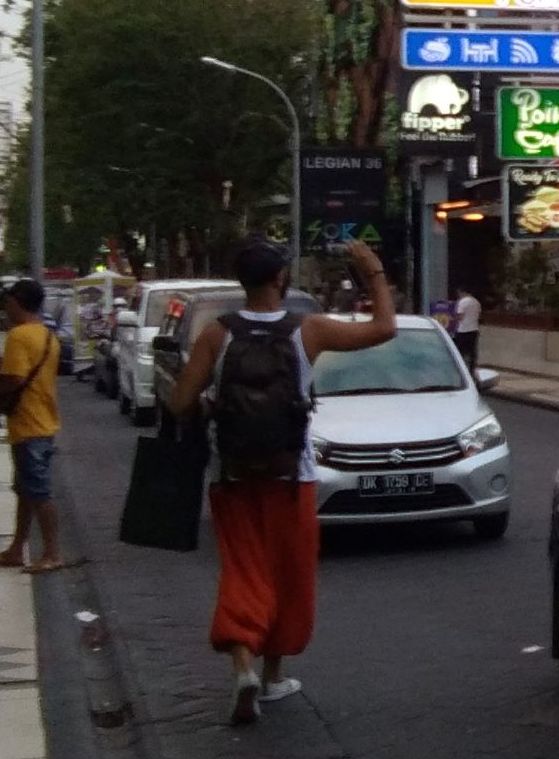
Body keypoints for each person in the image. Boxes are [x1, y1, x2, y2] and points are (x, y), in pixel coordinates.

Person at [169, 239, 395, 725]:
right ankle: (273, 676)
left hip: (233, 475)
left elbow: (180, 401)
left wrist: (210, 405)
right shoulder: (307, 330)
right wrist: (373, 271)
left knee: (242, 569)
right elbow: (384, 328)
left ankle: (242, 666)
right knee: (289, 574)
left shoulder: (216, 334)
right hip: (293, 475)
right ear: (280, 279)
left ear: (241, 281)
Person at [0, 280, 63, 572]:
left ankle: (52, 553)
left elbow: (14, 378)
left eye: (8, 301)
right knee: (26, 491)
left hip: (28, 424)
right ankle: (17, 547)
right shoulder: (47, 336)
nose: (6, 307)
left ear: (18, 302)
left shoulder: (18, 336)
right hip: (43, 421)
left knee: (38, 492)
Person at [449, 284, 482, 366]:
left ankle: (460, 366)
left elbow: (460, 316)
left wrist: (452, 319)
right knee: (472, 351)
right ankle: (472, 367)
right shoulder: (476, 302)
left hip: (463, 330)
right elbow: (479, 315)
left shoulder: (462, 302)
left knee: (459, 351)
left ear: (461, 292)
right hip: (474, 329)